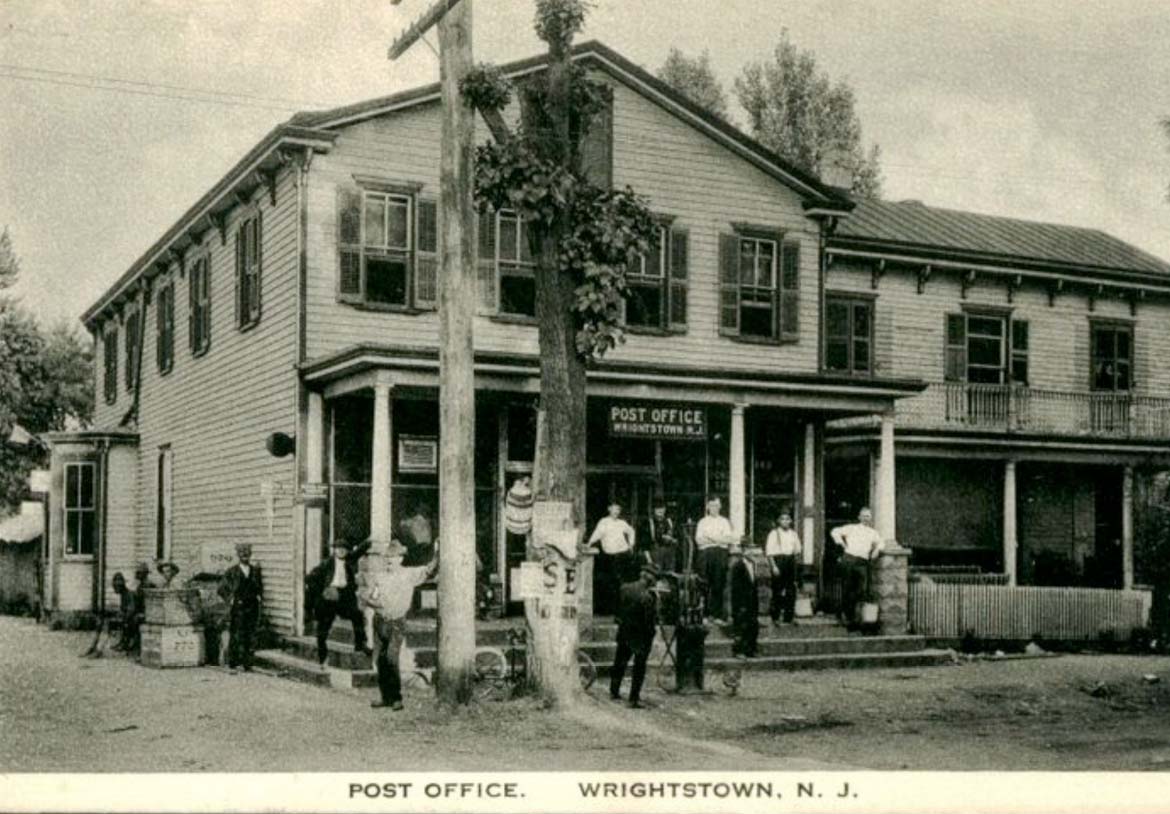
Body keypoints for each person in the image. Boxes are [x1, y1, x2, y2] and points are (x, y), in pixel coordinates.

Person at [363, 539, 438, 710]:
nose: (390, 560)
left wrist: (437, 554)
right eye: (388, 557)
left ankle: (396, 698)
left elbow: (429, 570)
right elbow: (370, 597)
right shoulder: (379, 577)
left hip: (397, 621)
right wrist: (371, 602)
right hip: (380, 620)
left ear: (401, 558)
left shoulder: (409, 574)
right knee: (381, 660)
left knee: (391, 658)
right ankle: (385, 697)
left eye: (394, 557)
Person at [306, 538, 372, 669]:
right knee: (323, 628)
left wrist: (371, 540)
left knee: (357, 615)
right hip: (328, 598)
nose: (341, 551)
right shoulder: (326, 564)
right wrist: (323, 591)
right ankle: (322, 657)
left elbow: (359, 551)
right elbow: (309, 578)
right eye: (338, 548)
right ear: (334, 550)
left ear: (347, 551)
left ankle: (359, 646)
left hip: (343, 598)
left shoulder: (349, 560)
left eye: (344, 549)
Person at [609, 563, 659, 709]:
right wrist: (651, 633)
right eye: (655, 577)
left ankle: (614, 692)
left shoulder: (624, 588)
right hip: (641, 637)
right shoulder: (649, 597)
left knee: (620, 662)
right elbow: (649, 621)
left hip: (624, 632)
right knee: (639, 667)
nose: (655, 581)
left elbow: (617, 612)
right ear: (650, 578)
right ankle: (633, 698)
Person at [830, 507, 884, 627]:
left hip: (862, 562)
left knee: (861, 589)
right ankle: (843, 616)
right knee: (846, 587)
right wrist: (842, 544)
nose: (866, 518)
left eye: (868, 516)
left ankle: (853, 615)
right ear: (859, 517)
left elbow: (881, 542)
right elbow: (834, 531)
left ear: (871, 518)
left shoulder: (873, 532)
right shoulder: (852, 528)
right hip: (849, 558)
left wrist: (876, 550)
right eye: (863, 516)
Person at [218, 543, 264, 673]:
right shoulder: (232, 571)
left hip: (252, 605)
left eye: (247, 553)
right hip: (238, 605)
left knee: (250, 633)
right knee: (237, 633)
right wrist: (230, 599)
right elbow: (221, 588)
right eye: (242, 553)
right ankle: (233, 661)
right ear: (238, 555)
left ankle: (247, 663)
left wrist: (259, 597)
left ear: (250, 555)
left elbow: (260, 587)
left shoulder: (255, 571)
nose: (245, 555)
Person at [587, 500, 636, 616]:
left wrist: (631, 544)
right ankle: (608, 610)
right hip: (609, 557)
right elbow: (597, 534)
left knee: (621, 583)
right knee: (609, 583)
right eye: (614, 509)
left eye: (618, 509)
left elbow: (631, 531)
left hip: (622, 555)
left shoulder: (622, 523)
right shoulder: (604, 522)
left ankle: (620, 610)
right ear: (609, 509)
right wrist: (589, 543)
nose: (616, 511)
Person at [694, 496, 738, 623]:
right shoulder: (702, 522)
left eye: (717, 505)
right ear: (708, 507)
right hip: (705, 554)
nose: (715, 508)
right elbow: (699, 540)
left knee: (718, 583)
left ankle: (717, 615)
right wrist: (718, 539)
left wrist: (710, 537)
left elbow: (729, 539)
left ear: (720, 507)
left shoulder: (724, 522)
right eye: (712, 505)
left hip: (720, 554)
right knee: (704, 583)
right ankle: (705, 615)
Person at [765, 512, 802, 624]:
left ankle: (788, 617)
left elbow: (798, 550)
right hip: (778, 561)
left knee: (791, 590)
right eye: (783, 519)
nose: (785, 521)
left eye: (787, 519)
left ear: (790, 521)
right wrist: (774, 566)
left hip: (790, 561)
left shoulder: (793, 534)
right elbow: (769, 552)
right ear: (779, 521)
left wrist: (794, 561)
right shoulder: (773, 533)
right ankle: (775, 617)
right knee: (777, 590)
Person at [728, 544, 760, 657]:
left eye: (752, 550)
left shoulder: (753, 565)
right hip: (741, 601)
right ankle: (739, 651)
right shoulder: (738, 566)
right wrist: (739, 604)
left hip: (752, 601)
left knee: (752, 625)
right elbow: (736, 588)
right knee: (741, 626)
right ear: (743, 551)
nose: (751, 552)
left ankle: (751, 650)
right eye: (748, 550)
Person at [640, 498, 680, 574]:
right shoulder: (648, 523)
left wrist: (672, 539)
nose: (660, 511)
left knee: (670, 576)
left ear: (665, 510)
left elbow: (677, 537)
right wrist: (649, 559)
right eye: (657, 509)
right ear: (654, 510)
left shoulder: (670, 521)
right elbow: (644, 543)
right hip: (655, 554)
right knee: (656, 576)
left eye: (662, 508)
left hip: (670, 554)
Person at [110, 572, 140, 654]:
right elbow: (123, 609)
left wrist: (124, 617)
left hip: (136, 615)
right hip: (130, 615)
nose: (116, 589)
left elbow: (132, 609)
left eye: (117, 587)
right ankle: (123, 642)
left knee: (127, 622)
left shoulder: (129, 594)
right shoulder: (123, 595)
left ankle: (128, 643)